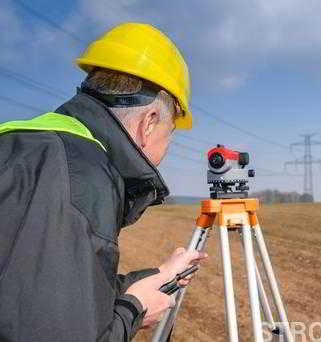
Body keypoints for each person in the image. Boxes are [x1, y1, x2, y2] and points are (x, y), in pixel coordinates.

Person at [0, 23, 208, 341]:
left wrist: (158, 276)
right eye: (172, 135)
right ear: (150, 123)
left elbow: (41, 291)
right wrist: (134, 311)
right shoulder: (80, 177)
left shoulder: (27, 144)